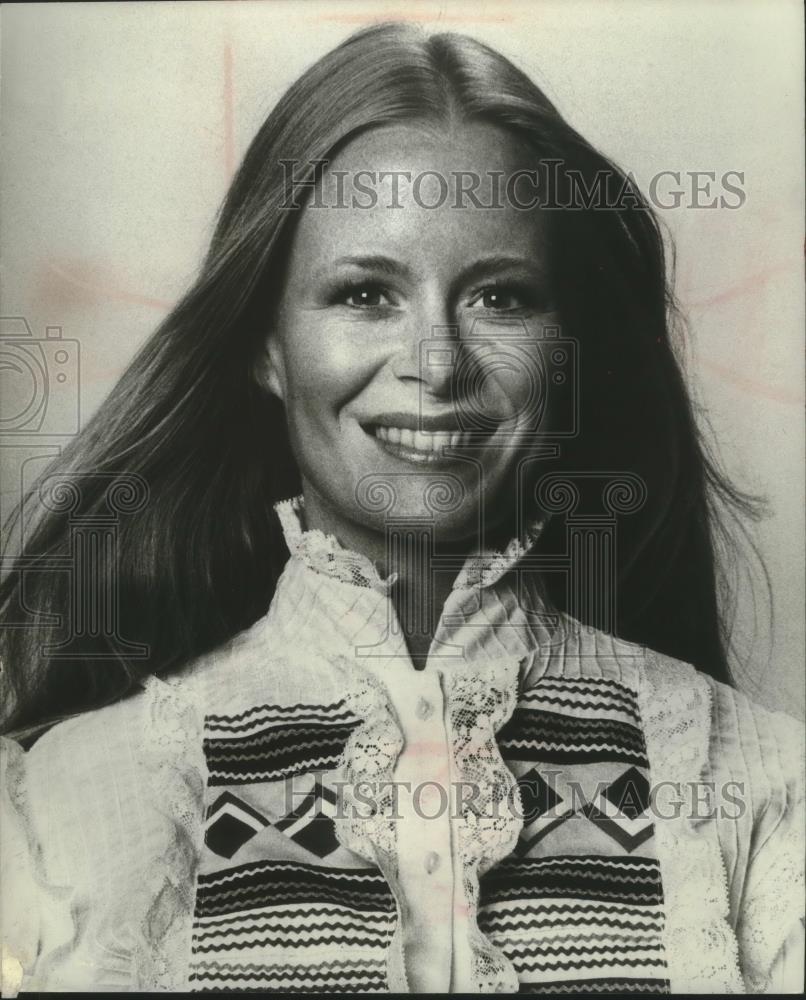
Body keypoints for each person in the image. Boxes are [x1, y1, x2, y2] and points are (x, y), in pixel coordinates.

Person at [0, 22, 802, 995]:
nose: (436, 363)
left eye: (499, 297)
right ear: (265, 345)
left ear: (566, 350)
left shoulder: (758, 786)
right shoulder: (66, 805)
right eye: (364, 293)